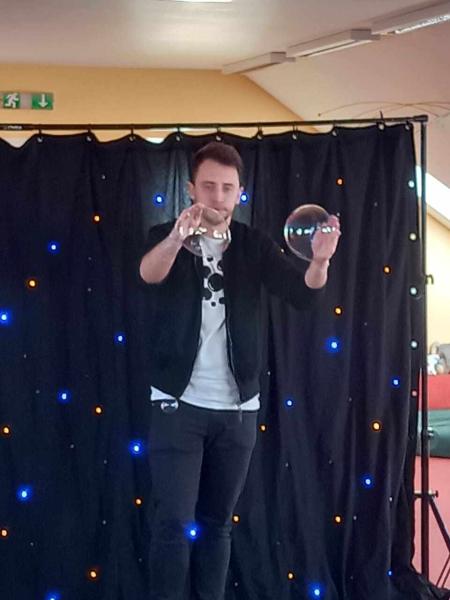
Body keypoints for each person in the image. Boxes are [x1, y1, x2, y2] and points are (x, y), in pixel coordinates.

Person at [139, 141, 341, 600]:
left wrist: (320, 261)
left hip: (238, 411)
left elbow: (303, 295)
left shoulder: (253, 245)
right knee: (173, 523)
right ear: (191, 188)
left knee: (217, 525)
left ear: (239, 192)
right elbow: (149, 274)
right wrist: (176, 238)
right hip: (176, 405)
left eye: (227, 188)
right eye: (208, 186)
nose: (218, 196)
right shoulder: (163, 235)